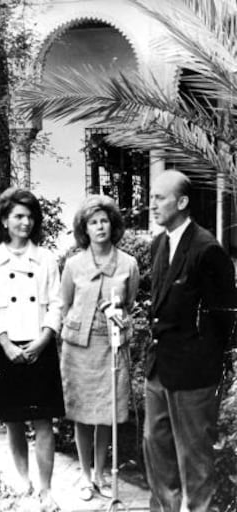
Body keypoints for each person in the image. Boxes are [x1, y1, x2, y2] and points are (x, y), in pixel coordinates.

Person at [144, 169, 236, 512]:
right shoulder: (159, 243)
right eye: (152, 197)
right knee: (156, 450)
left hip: (193, 376)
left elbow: (224, 316)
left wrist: (202, 364)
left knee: (195, 462)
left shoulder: (206, 249)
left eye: (159, 198)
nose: (152, 204)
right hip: (158, 369)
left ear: (182, 202)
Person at [0, 187, 64, 512]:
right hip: (6, 348)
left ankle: (45, 490)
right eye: (18, 216)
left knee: (43, 421)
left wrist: (43, 340)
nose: (25, 223)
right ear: (4, 220)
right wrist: (6, 344)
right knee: (13, 420)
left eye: (30, 217)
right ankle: (23, 483)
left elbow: (57, 304)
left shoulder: (47, 258)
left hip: (40, 346)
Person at [60, 195, 139, 501]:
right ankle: (84, 476)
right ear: (85, 229)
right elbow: (65, 305)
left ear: (112, 224)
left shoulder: (128, 264)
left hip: (112, 347)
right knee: (81, 413)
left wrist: (118, 318)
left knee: (106, 413)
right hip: (80, 349)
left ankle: (101, 473)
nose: (99, 226)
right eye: (93, 222)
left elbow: (129, 304)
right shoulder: (73, 264)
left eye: (104, 220)